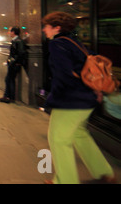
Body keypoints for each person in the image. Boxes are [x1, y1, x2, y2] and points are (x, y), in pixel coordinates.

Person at [42, 11, 116, 184]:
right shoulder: (76, 43)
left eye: (46, 26)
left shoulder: (58, 44)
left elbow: (63, 75)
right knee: (79, 135)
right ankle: (104, 173)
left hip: (71, 100)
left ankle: (66, 181)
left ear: (56, 28)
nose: (44, 29)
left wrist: (52, 101)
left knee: (58, 140)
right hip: (87, 99)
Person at [0, 26, 26, 103]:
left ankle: (8, 97)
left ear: (13, 32)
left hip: (14, 64)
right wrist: (8, 61)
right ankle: (8, 97)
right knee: (9, 79)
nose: (9, 33)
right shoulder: (15, 40)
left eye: (10, 31)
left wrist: (15, 62)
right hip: (12, 63)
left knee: (9, 79)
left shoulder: (18, 41)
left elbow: (21, 53)